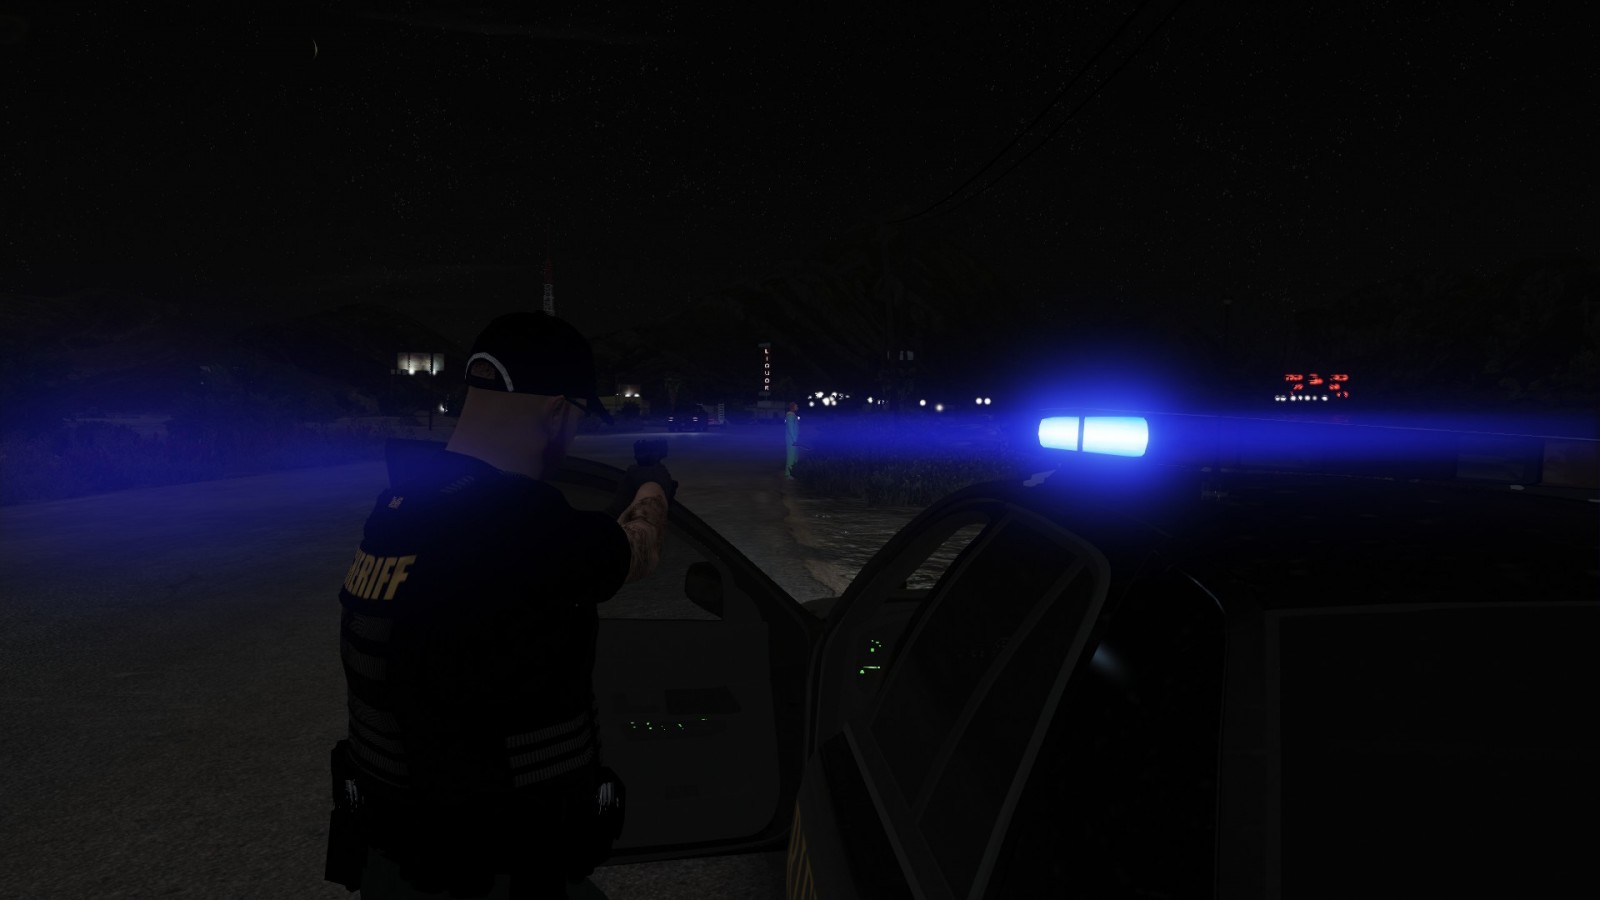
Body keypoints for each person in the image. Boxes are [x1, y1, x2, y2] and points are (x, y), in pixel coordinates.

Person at [325, 311, 677, 899]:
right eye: (578, 418)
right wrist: (652, 487)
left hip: (397, 850)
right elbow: (637, 549)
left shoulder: (401, 505)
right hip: (494, 868)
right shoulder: (517, 519)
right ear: (558, 411)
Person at [784, 401, 800, 479]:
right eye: (796, 406)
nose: (797, 407)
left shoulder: (792, 415)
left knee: (794, 457)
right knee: (791, 457)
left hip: (793, 439)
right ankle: (788, 474)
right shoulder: (790, 416)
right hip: (792, 440)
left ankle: (792, 472)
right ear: (793, 407)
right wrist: (794, 440)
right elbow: (791, 429)